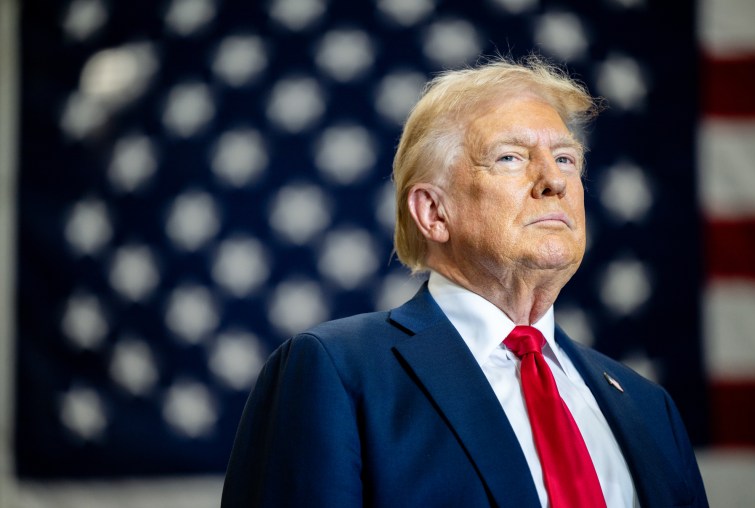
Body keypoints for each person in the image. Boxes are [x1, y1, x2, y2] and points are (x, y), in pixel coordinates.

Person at [221, 56, 708, 507]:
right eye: (510, 157)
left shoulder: (648, 406)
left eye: (565, 159)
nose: (553, 181)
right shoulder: (337, 371)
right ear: (433, 212)